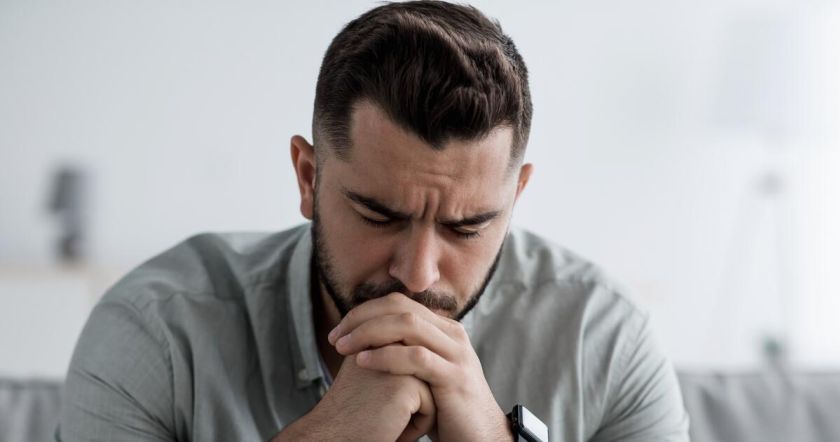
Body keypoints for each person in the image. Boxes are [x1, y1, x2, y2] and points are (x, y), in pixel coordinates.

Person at [58, 1, 690, 441]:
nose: (417, 274)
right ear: (309, 177)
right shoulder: (156, 332)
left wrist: (493, 437)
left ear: (516, 198)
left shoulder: (603, 338)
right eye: (379, 215)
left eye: (466, 227)